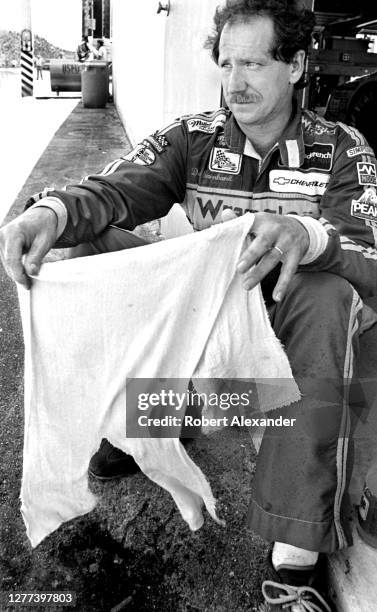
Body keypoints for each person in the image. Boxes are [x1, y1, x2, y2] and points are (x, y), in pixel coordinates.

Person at [1, 0, 377, 608]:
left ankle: (294, 562)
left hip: (287, 341)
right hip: (202, 324)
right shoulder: (193, 136)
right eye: (226, 64)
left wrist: (304, 237)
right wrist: (53, 210)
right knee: (92, 241)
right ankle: (139, 420)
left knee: (330, 293)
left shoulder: (343, 149)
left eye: (253, 63)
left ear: (298, 66)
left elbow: (368, 252)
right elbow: (116, 188)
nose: (235, 82)